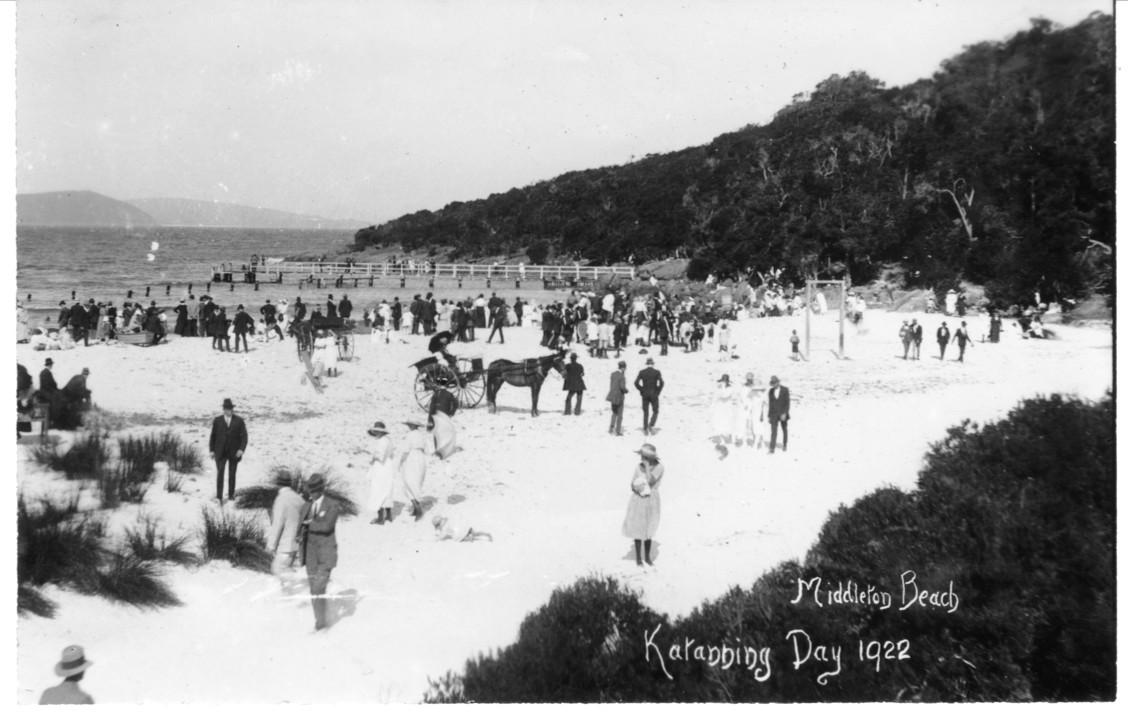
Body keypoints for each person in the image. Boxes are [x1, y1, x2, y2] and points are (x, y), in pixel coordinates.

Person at [298, 473, 341, 632]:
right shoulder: (306, 506)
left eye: (314, 490)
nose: (312, 493)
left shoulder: (332, 505)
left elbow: (327, 526)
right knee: (314, 591)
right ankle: (320, 622)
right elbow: (299, 526)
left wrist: (310, 524)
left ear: (321, 490)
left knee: (318, 588)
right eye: (311, 490)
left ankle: (322, 624)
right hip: (310, 556)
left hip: (326, 555)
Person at [622, 443, 664, 568]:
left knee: (648, 527)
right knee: (638, 527)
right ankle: (639, 558)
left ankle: (647, 557)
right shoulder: (637, 467)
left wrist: (646, 468)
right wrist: (636, 488)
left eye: (644, 456)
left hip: (652, 498)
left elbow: (651, 482)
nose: (642, 459)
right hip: (639, 498)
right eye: (642, 456)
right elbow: (632, 483)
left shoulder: (659, 467)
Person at [266, 471, 307, 580]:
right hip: (297, 546)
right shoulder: (299, 499)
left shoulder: (281, 500)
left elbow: (277, 524)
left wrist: (271, 546)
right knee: (286, 574)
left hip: (284, 545)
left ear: (278, 484)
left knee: (278, 572)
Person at [209, 397, 248, 503]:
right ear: (223, 409)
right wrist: (212, 450)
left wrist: (241, 449)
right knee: (220, 474)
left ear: (232, 409)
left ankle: (231, 496)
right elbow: (213, 436)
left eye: (230, 409)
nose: (228, 411)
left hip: (234, 453)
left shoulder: (239, 421)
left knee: (232, 475)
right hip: (220, 452)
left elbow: (244, 437)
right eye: (226, 409)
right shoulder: (217, 421)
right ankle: (219, 497)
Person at [397, 419, 433, 520]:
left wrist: (400, 461)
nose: (409, 426)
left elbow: (406, 450)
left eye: (410, 425)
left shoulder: (410, 435)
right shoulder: (422, 436)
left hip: (411, 458)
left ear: (412, 426)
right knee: (416, 481)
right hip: (420, 458)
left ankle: (418, 508)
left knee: (408, 481)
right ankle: (416, 508)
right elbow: (428, 450)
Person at [365, 421, 396, 525]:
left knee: (378, 490)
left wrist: (373, 457)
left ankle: (380, 518)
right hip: (388, 466)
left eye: (377, 431)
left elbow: (380, 455)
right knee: (387, 490)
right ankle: (388, 515)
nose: (376, 433)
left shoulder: (382, 441)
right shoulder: (389, 440)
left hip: (381, 467)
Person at [634, 357, 664, 436]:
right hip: (654, 393)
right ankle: (651, 424)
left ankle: (645, 428)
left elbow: (636, 383)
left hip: (645, 394)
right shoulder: (657, 372)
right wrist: (658, 391)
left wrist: (641, 389)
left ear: (647, 364)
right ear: (653, 364)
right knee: (655, 410)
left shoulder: (642, 372)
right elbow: (662, 383)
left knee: (645, 412)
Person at [711, 374, 738, 458]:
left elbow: (725, 396)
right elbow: (716, 397)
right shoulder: (719, 387)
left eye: (724, 381)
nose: (723, 383)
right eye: (722, 381)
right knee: (719, 423)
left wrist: (722, 389)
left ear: (727, 382)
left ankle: (731, 440)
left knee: (729, 424)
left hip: (727, 408)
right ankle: (722, 440)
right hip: (720, 408)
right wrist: (713, 405)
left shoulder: (731, 388)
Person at [740, 373, 765, 449]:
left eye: (750, 379)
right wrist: (747, 405)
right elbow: (745, 397)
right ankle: (752, 442)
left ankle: (757, 443)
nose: (749, 380)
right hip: (750, 410)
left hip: (758, 411)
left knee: (758, 427)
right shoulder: (747, 388)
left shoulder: (759, 392)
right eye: (748, 379)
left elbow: (763, 400)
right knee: (750, 426)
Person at [766, 375, 790, 454]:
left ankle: (784, 444)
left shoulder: (785, 390)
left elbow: (787, 403)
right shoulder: (771, 391)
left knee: (784, 429)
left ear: (778, 382)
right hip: (773, 414)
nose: (774, 385)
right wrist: (769, 415)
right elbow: (770, 403)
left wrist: (785, 413)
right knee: (773, 431)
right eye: (773, 383)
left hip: (783, 413)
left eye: (775, 383)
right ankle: (772, 448)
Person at [606, 360, 628, 436]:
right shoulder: (622, 376)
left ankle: (611, 428)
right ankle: (618, 431)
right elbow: (622, 387)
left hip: (612, 396)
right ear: (623, 368)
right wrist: (626, 390)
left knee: (614, 413)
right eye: (625, 368)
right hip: (619, 396)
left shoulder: (613, 374)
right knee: (620, 415)